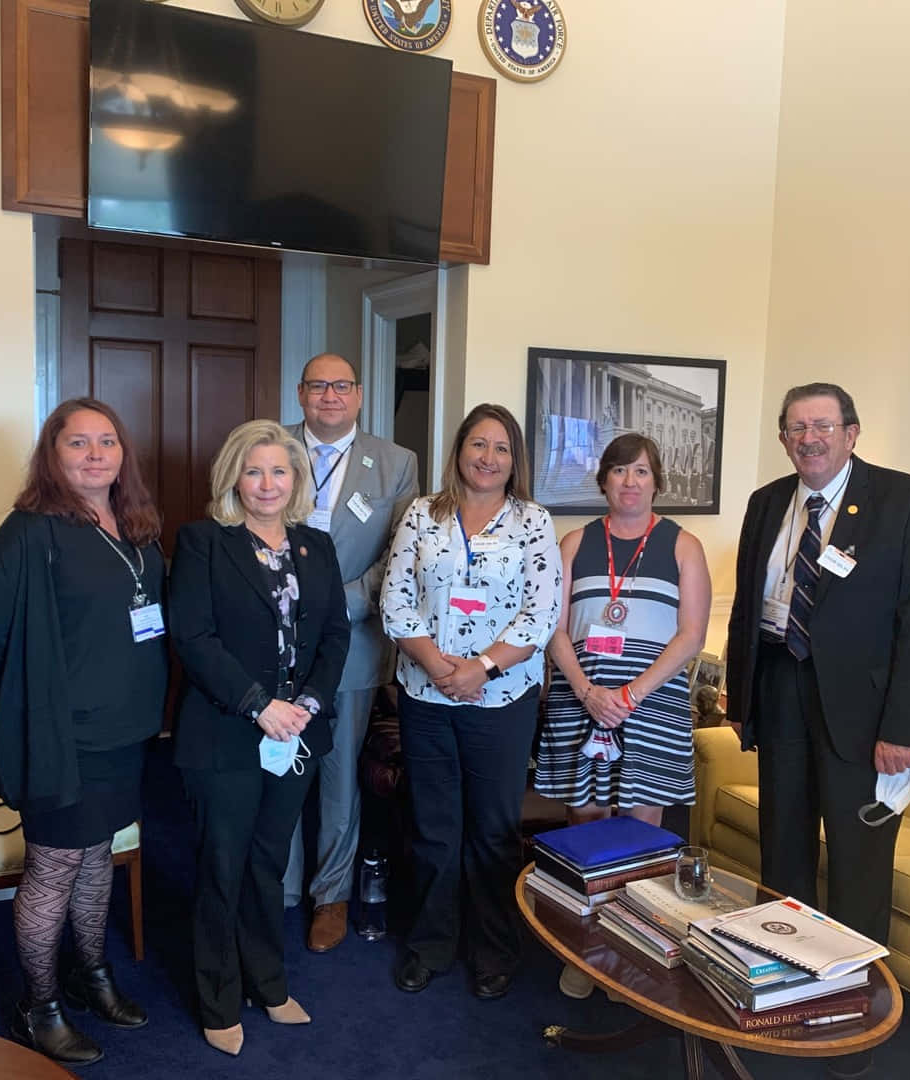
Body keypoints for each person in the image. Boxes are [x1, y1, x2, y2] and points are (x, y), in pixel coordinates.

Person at [0, 398, 168, 1067]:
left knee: (98, 854)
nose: (95, 454)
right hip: (60, 736)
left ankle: (91, 973)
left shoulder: (135, 525)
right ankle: (37, 1004)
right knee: (54, 865)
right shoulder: (29, 532)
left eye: (107, 441)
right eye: (78, 443)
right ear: (53, 454)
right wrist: (20, 704)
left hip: (125, 730)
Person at [726, 383, 910, 954]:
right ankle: (781, 970)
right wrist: (740, 698)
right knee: (783, 850)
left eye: (823, 426)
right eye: (797, 428)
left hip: (864, 713)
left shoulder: (903, 500)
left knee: (858, 862)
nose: (810, 439)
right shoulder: (767, 501)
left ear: (851, 434)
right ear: (782, 440)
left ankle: (857, 999)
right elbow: (746, 607)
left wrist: (904, 727)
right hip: (779, 689)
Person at [169, 420, 350, 1056]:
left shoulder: (315, 546)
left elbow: (334, 636)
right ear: (233, 480)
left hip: (298, 732)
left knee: (269, 864)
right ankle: (218, 998)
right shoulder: (204, 543)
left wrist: (307, 702)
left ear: (296, 480)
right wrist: (257, 705)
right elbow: (193, 638)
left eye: (279, 471)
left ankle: (267, 983)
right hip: (226, 734)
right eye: (254, 471)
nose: (267, 484)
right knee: (224, 865)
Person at [381, 403, 561, 1000]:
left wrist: (481, 667)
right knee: (433, 828)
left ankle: (494, 950)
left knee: (491, 830)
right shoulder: (421, 515)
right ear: (459, 451)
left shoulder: (532, 521)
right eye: (478, 444)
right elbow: (395, 599)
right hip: (425, 695)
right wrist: (437, 666)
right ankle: (430, 944)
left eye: (501, 448)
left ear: (515, 462)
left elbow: (542, 612)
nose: (488, 457)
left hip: (502, 697)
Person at [534, 433, 710, 998]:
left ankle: (632, 952)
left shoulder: (684, 545)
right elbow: (553, 629)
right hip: (579, 698)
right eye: (618, 471)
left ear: (657, 480)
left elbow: (692, 636)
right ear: (603, 479)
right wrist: (588, 691)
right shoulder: (573, 543)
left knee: (641, 833)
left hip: (651, 703)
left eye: (640, 472)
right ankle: (583, 950)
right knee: (582, 826)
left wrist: (631, 694)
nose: (629, 482)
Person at [282, 353, 418, 952]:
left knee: (338, 777)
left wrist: (342, 606)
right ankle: (278, 888)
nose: (329, 396)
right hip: (274, 643)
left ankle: (330, 895)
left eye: (341, 386)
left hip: (354, 642)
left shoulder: (396, 464)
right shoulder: (267, 447)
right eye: (318, 386)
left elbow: (400, 554)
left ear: (359, 396)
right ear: (301, 393)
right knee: (276, 767)